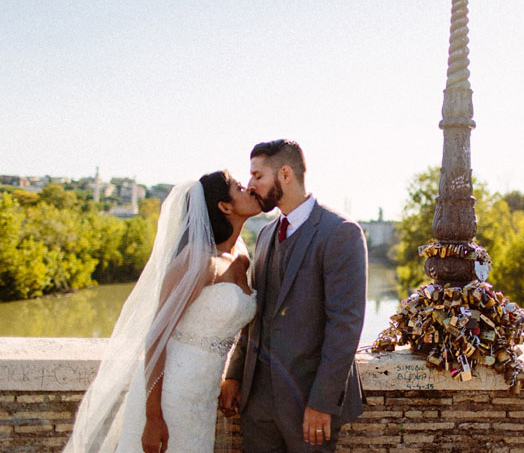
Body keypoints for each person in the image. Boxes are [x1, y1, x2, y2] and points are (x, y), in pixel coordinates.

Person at [64, 170, 261, 452]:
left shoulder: (242, 258)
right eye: (240, 187)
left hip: (203, 395)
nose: (250, 190)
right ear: (224, 206)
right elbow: (155, 338)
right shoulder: (197, 261)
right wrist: (153, 416)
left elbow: (209, 328)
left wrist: (223, 380)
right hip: (170, 394)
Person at [219, 139, 368, 452]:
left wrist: (323, 403)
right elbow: (255, 314)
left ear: (285, 174)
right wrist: (234, 375)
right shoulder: (265, 233)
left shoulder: (341, 232)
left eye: (258, 175)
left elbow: (345, 325)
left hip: (309, 406)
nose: (250, 184)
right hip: (256, 404)